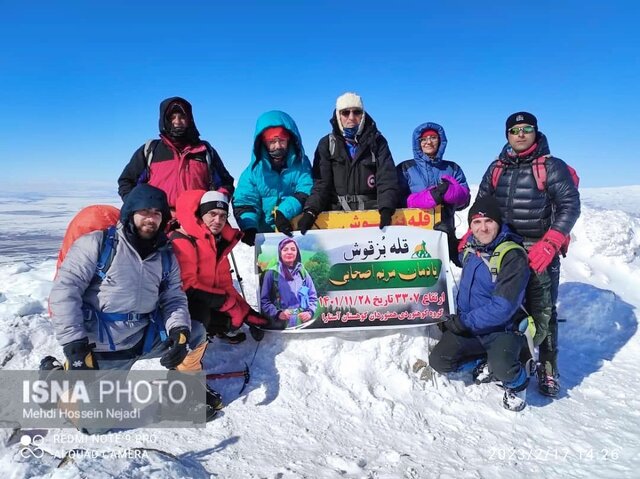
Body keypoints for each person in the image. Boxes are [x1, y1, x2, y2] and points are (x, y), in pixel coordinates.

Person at [48, 184, 222, 422]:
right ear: (130, 212)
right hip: (103, 347)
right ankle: (56, 379)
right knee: (95, 423)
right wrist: (75, 346)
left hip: (144, 337)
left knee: (195, 332)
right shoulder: (97, 245)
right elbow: (64, 292)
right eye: (145, 211)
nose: (151, 218)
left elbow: (173, 297)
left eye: (157, 213)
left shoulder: (165, 255)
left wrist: (179, 330)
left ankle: (180, 400)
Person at [475, 111, 580, 397]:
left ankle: (547, 366)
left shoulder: (551, 166)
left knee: (542, 309)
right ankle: (510, 357)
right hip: (504, 248)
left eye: (526, 129)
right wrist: (471, 235)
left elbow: (570, 204)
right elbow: (482, 203)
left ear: (535, 132)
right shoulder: (497, 168)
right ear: (507, 135)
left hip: (539, 248)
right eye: (515, 130)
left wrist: (552, 241)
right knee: (505, 305)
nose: (520, 134)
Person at [429, 196, 531, 411]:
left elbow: (502, 308)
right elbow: (459, 256)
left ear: (499, 222)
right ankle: (485, 363)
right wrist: (448, 238)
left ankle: (518, 381)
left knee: (505, 369)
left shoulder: (512, 256)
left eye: (488, 222)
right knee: (440, 361)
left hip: (503, 330)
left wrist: (464, 322)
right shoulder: (472, 249)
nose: (483, 228)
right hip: (473, 328)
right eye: (476, 222)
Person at [170, 189, 268, 343]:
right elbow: (187, 287)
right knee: (206, 316)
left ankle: (217, 329)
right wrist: (228, 305)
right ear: (201, 214)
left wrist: (246, 312)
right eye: (212, 214)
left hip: (204, 298)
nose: (218, 220)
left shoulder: (217, 242)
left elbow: (225, 285)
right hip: (179, 306)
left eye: (223, 215)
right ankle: (188, 352)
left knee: (232, 315)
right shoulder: (183, 240)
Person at [298, 92, 398, 233]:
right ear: (338, 115)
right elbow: (321, 184)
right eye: (345, 113)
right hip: (337, 218)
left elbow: (386, 179)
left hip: (372, 217)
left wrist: (387, 208)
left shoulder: (377, 142)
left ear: (362, 115)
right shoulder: (327, 144)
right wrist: (311, 211)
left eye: (356, 112)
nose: (351, 117)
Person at [117, 96, 234, 213]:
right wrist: (138, 207)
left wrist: (215, 205)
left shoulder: (205, 151)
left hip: (197, 219)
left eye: (182, 117)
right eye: (172, 117)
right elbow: (126, 182)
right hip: (159, 222)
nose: (177, 122)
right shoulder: (150, 150)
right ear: (164, 120)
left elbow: (226, 183)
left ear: (190, 120)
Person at [232, 110, 313, 246]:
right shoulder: (253, 172)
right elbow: (245, 202)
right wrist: (249, 226)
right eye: (272, 141)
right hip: (267, 240)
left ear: (290, 139)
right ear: (263, 142)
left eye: (282, 140)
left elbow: (307, 188)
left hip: (296, 234)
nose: (277, 146)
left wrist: (283, 212)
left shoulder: (301, 164)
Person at [396, 122, 471, 265]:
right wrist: (421, 200)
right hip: (412, 233)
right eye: (423, 139)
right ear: (417, 143)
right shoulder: (405, 168)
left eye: (433, 137)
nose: (428, 142)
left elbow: (465, 200)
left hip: (445, 232)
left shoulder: (452, 168)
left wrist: (453, 194)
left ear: (440, 141)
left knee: (441, 275)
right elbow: (397, 199)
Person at [260, 237, 318, 328]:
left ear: (297, 253)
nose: (289, 252)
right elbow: (264, 301)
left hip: (302, 324)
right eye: (285, 249)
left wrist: (310, 312)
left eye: (293, 249)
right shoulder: (272, 273)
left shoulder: (302, 272)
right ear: (280, 252)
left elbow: (313, 297)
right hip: (280, 326)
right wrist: (278, 313)